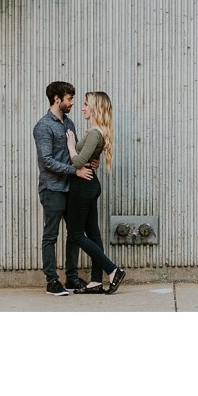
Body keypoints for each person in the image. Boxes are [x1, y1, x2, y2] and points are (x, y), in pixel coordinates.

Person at [32, 81, 93, 296]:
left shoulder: (69, 124)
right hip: (53, 188)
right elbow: (47, 161)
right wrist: (75, 171)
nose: (72, 103)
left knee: (75, 234)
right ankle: (52, 281)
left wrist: (87, 161)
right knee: (51, 236)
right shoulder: (43, 126)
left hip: (71, 188)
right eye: (69, 99)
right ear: (57, 99)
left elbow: (74, 153)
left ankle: (72, 278)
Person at [65, 91, 126, 295]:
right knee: (93, 234)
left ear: (95, 108)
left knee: (76, 234)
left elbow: (78, 162)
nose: (82, 108)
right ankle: (96, 281)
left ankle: (113, 270)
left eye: (85, 104)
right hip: (90, 185)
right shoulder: (98, 132)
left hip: (83, 186)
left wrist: (71, 146)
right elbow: (89, 158)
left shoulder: (94, 133)